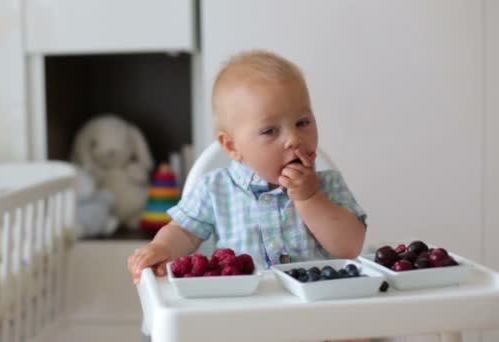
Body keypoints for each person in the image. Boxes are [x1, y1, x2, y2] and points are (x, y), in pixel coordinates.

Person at [129, 49, 369, 342]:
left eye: (303, 122)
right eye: (270, 131)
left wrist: (309, 198)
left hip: (316, 316)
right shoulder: (215, 189)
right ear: (231, 147)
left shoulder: (326, 184)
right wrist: (162, 248)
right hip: (244, 320)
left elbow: (350, 246)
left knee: (357, 332)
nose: (294, 138)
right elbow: (184, 231)